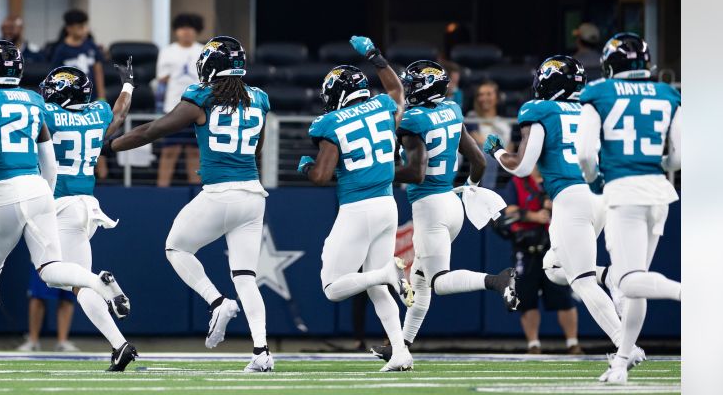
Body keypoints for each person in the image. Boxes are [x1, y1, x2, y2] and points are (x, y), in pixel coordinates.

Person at [0, 41, 131, 373]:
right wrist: (45, 196)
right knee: (51, 269)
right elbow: (48, 160)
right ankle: (98, 283)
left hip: (4, 190)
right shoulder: (35, 101)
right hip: (41, 191)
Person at [104, 37, 274, 373]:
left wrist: (111, 147)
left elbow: (153, 130)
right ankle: (262, 351)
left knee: (176, 248)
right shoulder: (260, 98)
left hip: (220, 193)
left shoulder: (201, 96)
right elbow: (258, 149)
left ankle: (217, 302)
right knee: (245, 276)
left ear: (210, 65)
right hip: (254, 195)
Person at [371, 60, 518, 364]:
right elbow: (477, 161)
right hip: (452, 202)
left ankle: (496, 280)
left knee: (438, 280)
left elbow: (415, 173)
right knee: (421, 281)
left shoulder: (413, 120)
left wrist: (379, 171)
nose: (409, 89)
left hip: (430, 207)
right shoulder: (451, 110)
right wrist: (471, 189)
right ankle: (400, 345)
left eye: (412, 84)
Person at [485, 56, 625, 356]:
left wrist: (497, 152)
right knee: (553, 266)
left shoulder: (540, 110)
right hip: (602, 195)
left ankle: (626, 345)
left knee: (581, 281)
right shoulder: (592, 107)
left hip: (571, 196)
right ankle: (609, 276)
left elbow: (522, 167)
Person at [298, 37, 414, 372]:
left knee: (333, 288)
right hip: (387, 205)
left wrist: (307, 166)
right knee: (377, 288)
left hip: (357, 209)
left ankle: (386, 272)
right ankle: (401, 353)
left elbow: (321, 176)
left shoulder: (330, 123)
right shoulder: (383, 106)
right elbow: (397, 91)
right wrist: (375, 56)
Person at [575, 34, 682, 383]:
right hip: (660, 192)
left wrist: (594, 180)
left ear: (609, 64)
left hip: (624, 191)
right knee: (636, 283)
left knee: (627, 280)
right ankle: (621, 362)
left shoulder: (599, 93)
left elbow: (587, 154)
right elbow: (679, 157)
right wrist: (657, 161)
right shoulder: (668, 93)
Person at [30, 61, 138, 366]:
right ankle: (120, 345)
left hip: (59, 203)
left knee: (50, 274)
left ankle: (101, 282)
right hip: (87, 206)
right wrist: (128, 85)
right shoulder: (98, 111)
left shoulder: (47, 113)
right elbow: (119, 114)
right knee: (78, 285)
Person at [496, 169, 582, 354]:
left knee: (564, 297)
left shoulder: (558, 179)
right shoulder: (518, 182)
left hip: (554, 247)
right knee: (526, 299)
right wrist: (534, 216)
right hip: (526, 248)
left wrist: (555, 207)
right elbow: (509, 212)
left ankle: (573, 343)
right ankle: (533, 344)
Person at [154, 14, 204, 187]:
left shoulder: (203, 50)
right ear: (176, 31)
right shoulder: (167, 52)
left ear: (196, 31)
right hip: (173, 108)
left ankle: (196, 191)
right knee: (169, 151)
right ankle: (162, 190)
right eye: (182, 28)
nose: (186, 32)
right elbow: (162, 81)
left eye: (190, 28)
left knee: (194, 152)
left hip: (199, 109)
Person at [46, 10, 108, 98]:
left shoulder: (91, 45)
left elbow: (98, 71)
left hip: (91, 96)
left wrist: (101, 96)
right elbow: (56, 76)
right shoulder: (61, 50)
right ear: (69, 29)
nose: (84, 30)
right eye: (80, 27)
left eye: (85, 26)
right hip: (70, 98)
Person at [467, 80, 512, 187]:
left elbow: (510, 147)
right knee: (489, 153)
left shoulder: (504, 122)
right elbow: (475, 137)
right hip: (480, 157)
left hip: (502, 159)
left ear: (497, 97)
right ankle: (487, 191)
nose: (484, 98)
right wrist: (498, 149)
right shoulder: (472, 117)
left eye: (488, 94)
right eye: (480, 95)